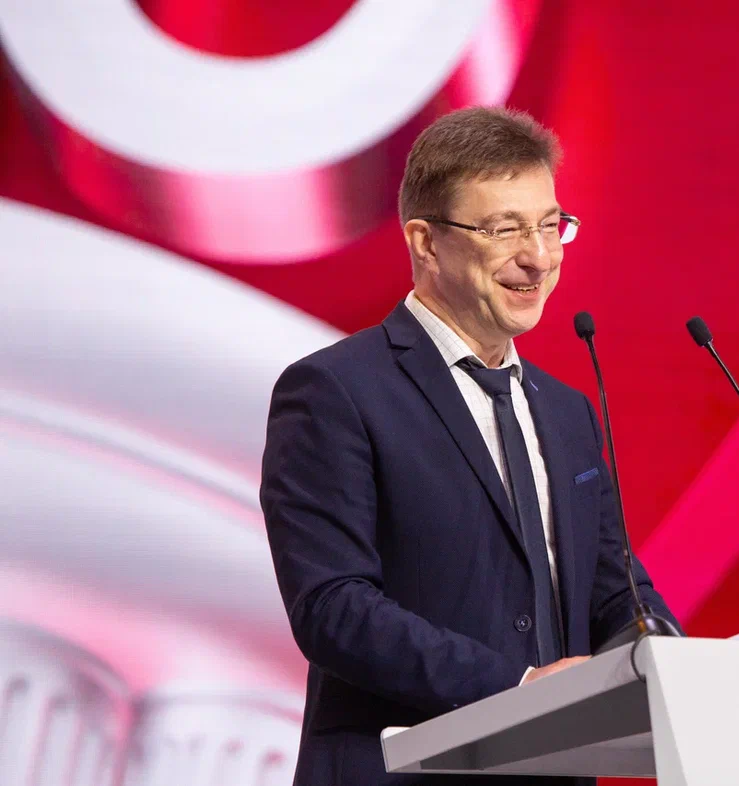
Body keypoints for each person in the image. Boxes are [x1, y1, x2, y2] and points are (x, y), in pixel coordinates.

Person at [259, 106, 680, 786]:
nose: (538, 257)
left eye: (550, 226)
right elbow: (333, 607)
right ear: (426, 242)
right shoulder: (335, 391)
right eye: (504, 229)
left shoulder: (566, 412)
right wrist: (517, 687)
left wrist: (669, 659)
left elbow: (612, 587)